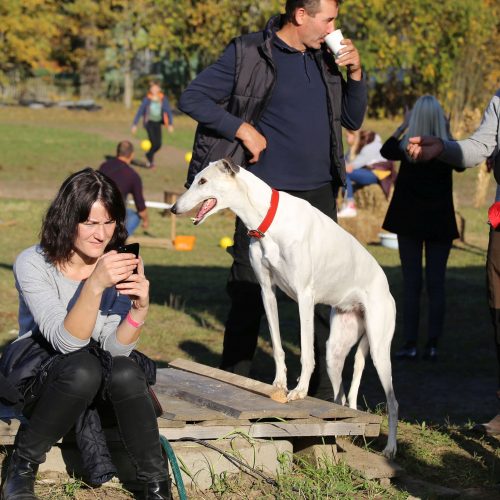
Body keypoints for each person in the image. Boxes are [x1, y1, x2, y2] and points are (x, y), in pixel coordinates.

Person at [178, 0, 367, 400]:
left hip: (318, 194)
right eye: (328, 19)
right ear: (301, 15)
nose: (335, 27)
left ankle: (316, 393)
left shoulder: (325, 59)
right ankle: (232, 381)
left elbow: (352, 120)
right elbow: (192, 98)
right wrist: (242, 128)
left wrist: (356, 73)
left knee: (319, 295)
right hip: (263, 196)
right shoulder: (247, 52)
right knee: (248, 286)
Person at [0, 169, 170, 499]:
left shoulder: (120, 262)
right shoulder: (33, 263)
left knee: (124, 370)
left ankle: (156, 485)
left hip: (96, 372)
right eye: (90, 223)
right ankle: (21, 467)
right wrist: (94, 285)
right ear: (67, 219)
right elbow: (67, 342)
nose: (101, 234)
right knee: (82, 368)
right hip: (43, 375)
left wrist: (138, 310)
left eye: (108, 223)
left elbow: (114, 350)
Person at [407, 90, 500, 433]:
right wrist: (445, 147)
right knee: (498, 310)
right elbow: (479, 148)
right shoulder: (499, 98)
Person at [381, 95, 464, 361]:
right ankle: (433, 344)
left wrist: (402, 127)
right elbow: (462, 161)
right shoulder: (446, 151)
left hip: (409, 222)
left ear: (413, 118)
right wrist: (447, 131)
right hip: (439, 222)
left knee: (411, 283)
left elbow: (386, 149)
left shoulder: (407, 147)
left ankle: (409, 342)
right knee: (436, 284)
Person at [337, 130, 393, 217]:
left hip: (378, 174)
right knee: (345, 174)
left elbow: (351, 167)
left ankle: (350, 206)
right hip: (371, 172)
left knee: (346, 174)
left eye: (348, 136)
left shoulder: (369, 147)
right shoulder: (362, 146)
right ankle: (346, 204)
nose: (346, 138)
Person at [99, 140, 149, 236]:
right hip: (115, 215)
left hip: (98, 209)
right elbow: (141, 207)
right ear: (132, 155)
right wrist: (146, 221)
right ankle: (118, 241)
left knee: (129, 212)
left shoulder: (104, 166)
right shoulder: (133, 175)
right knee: (135, 216)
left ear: (117, 152)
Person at [132, 81, 174, 169]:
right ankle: (151, 162)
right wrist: (134, 124)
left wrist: (170, 124)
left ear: (159, 89)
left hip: (158, 123)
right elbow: (140, 111)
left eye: (156, 88)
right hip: (149, 123)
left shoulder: (163, 98)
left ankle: (148, 154)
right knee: (153, 142)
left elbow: (168, 111)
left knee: (158, 144)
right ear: (150, 89)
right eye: (152, 88)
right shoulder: (147, 99)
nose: (154, 89)